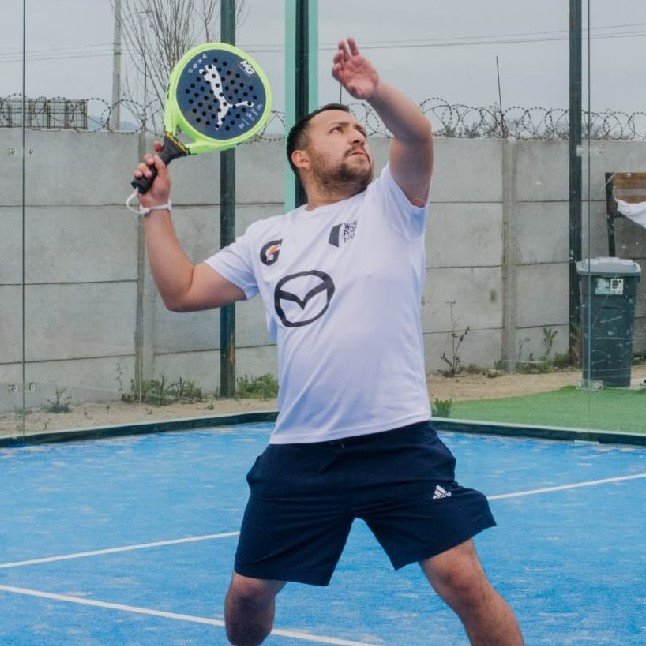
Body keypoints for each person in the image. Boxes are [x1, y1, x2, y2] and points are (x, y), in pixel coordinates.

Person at [133, 37, 524, 646]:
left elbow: (417, 136)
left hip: (398, 443)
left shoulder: (393, 206)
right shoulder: (267, 238)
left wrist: (376, 91)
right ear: (301, 158)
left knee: (463, 579)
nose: (357, 135)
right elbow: (181, 290)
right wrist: (155, 209)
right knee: (248, 593)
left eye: (360, 128)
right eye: (338, 129)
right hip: (302, 453)